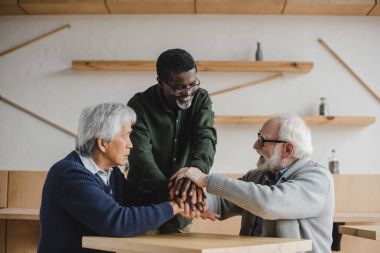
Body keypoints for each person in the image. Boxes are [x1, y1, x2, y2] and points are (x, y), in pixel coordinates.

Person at [171, 115, 334, 253]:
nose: (255, 145)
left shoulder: (317, 178)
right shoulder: (257, 176)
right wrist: (194, 202)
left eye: (263, 140)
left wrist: (207, 179)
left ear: (288, 149)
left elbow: (269, 203)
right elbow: (222, 202)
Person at [38, 103, 183, 253]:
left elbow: (141, 199)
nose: (131, 145)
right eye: (126, 136)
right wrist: (175, 207)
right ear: (103, 143)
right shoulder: (69, 175)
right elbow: (117, 221)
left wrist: (181, 197)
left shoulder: (110, 173)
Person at [127, 48, 217, 232]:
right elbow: (140, 157)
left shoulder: (201, 98)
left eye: (193, 84)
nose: (188, 92)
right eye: (179, 87)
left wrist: (195, 177)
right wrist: (176, 194)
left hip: (183, 208)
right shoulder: (139, 105)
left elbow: (205, 138)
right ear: (161, 82)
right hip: (144, 205)